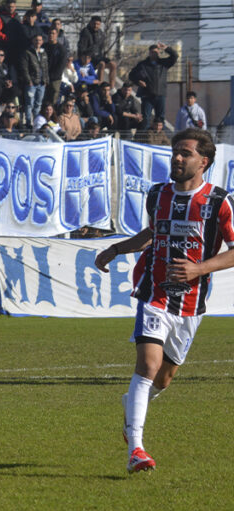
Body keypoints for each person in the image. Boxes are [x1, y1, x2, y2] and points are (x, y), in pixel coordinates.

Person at [94, 129, 234, 474]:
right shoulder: (158, 195)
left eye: (185, 153)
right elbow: (153, 233)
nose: (177, 158)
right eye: (175, 151)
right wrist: (116, 249)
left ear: (204, 161)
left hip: (191, 304)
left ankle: (132, 405)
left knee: (166, 377)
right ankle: (136, 449)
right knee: (148, 365)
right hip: (154, 294)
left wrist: (199, 268)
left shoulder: (218, 201)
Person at [129, 43, 177, 129]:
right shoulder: (143, 65)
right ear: (149, 53)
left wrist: (166, 48)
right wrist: (138, 81)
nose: (154, 54)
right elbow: (131, 75)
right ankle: (145, 138)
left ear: (158, 53)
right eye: (152, 52)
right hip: (147, 95)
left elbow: (175, 56)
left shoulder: (163, 64)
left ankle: (160, 139)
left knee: (160, 119)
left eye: (156, 52)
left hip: (160, 94)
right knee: (146, 119)